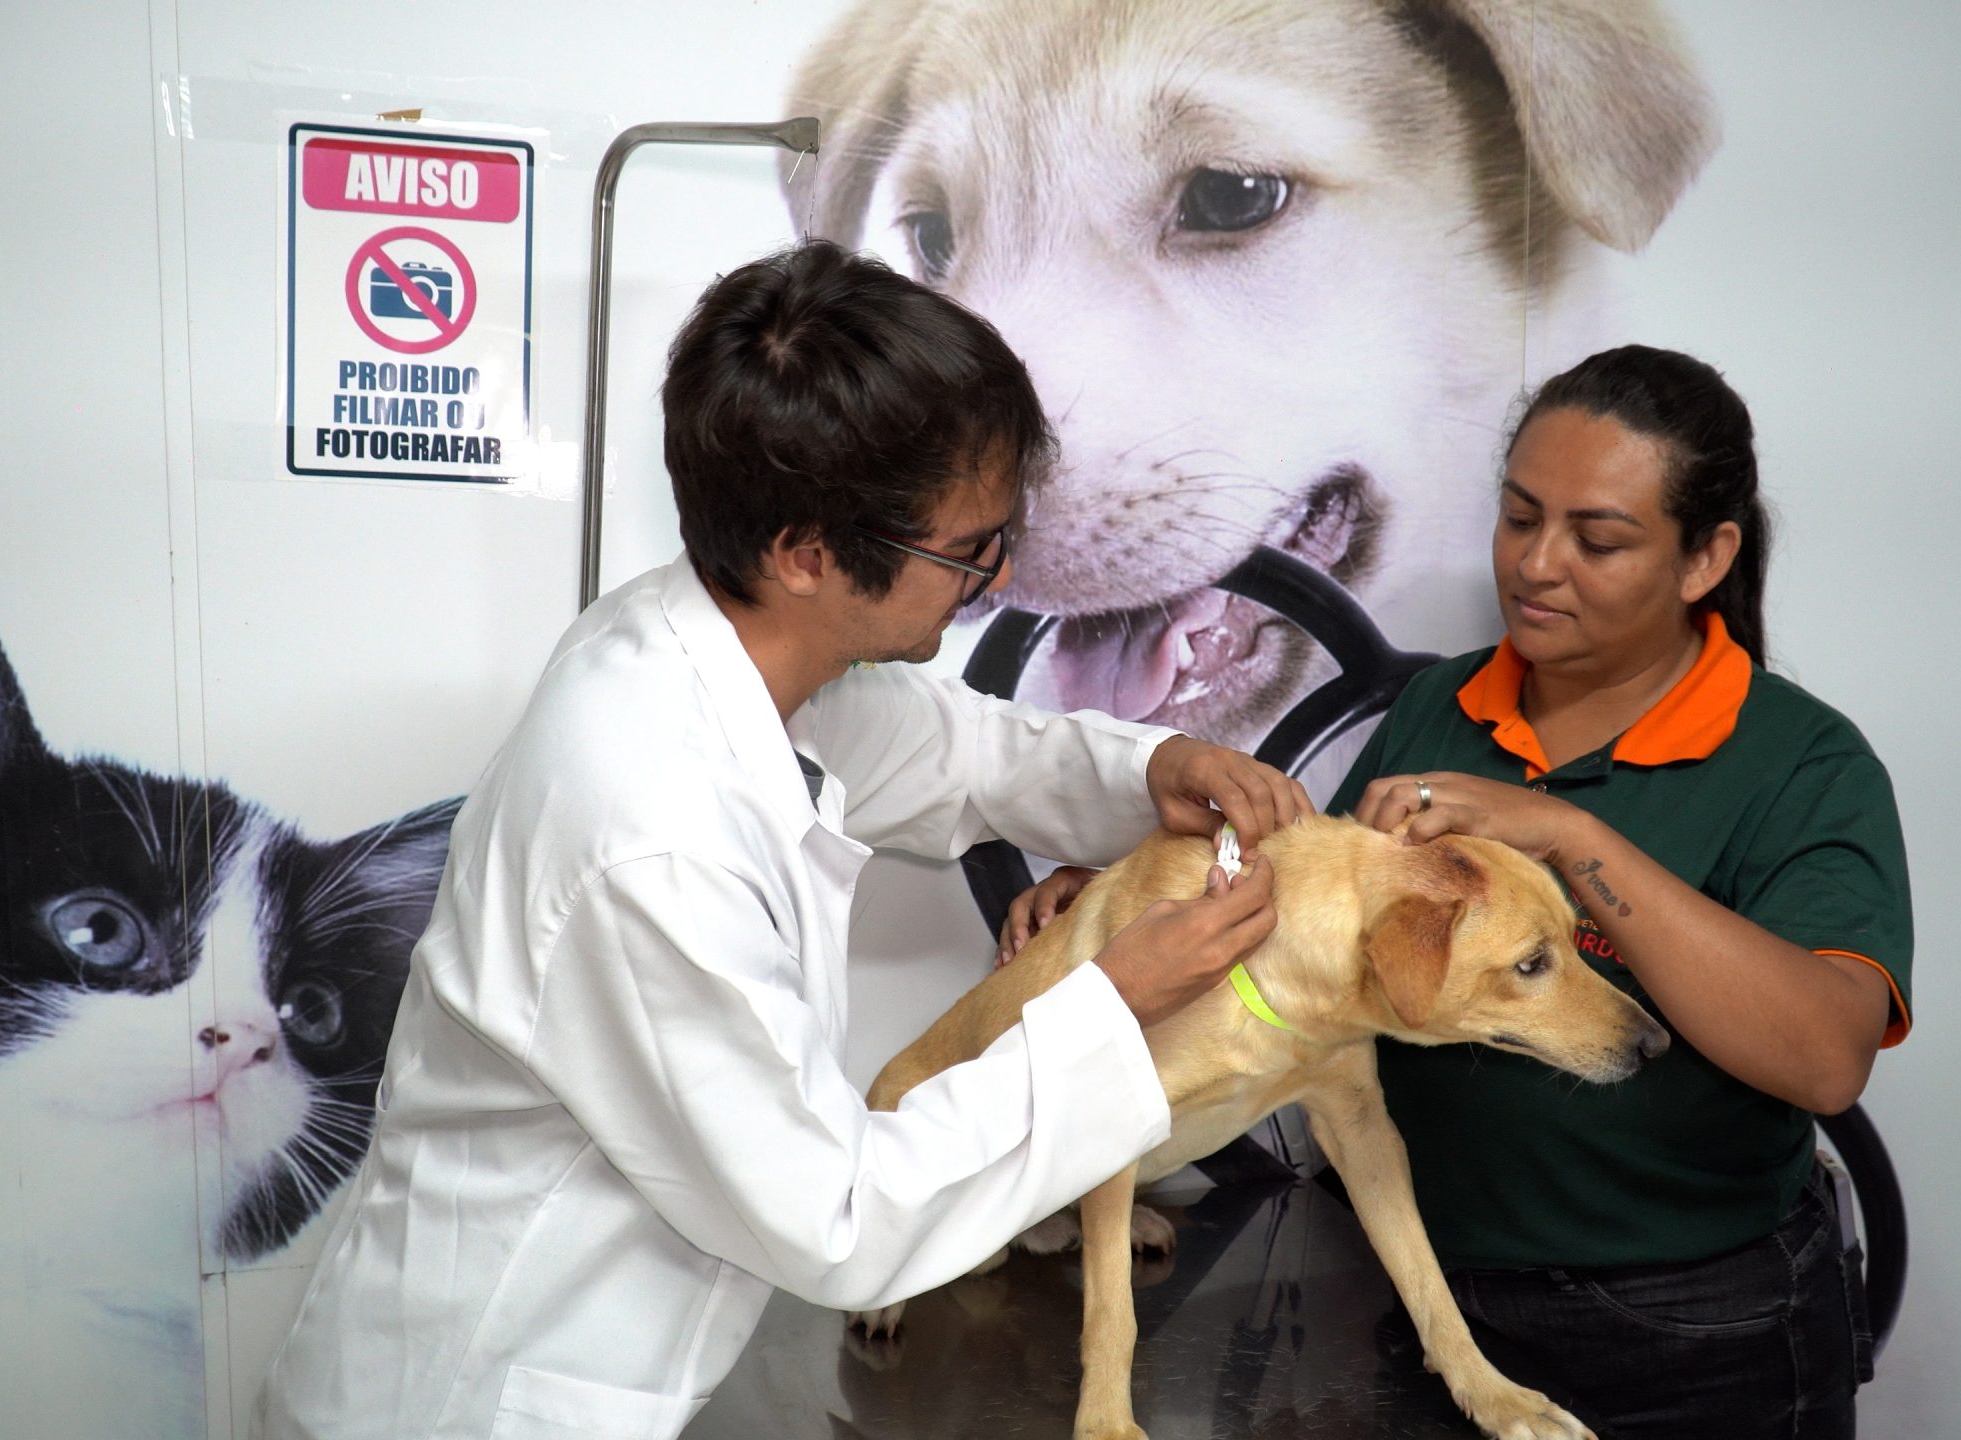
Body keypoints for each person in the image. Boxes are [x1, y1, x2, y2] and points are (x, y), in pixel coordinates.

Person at [258, 238, 1308, 1440]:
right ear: (805, 552)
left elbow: (956, 751)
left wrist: (1156, 767)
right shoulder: (647, 828)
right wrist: (1113, 1004)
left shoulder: (714, 640)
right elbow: (841, 1220)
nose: (997, 574)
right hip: (472, 1405)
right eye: (968, 553)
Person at [1004, 345, 1911, 1439]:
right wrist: (1113, 894)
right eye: (1519, 516)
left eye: (1598, 538)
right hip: (1425, 1295)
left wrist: (1568, 837)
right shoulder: (1440, 705)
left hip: (1695, 1329)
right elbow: (1320, 902)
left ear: (1704, 557)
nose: (1536, 563)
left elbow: (1823, 1058)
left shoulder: (1801, 763)